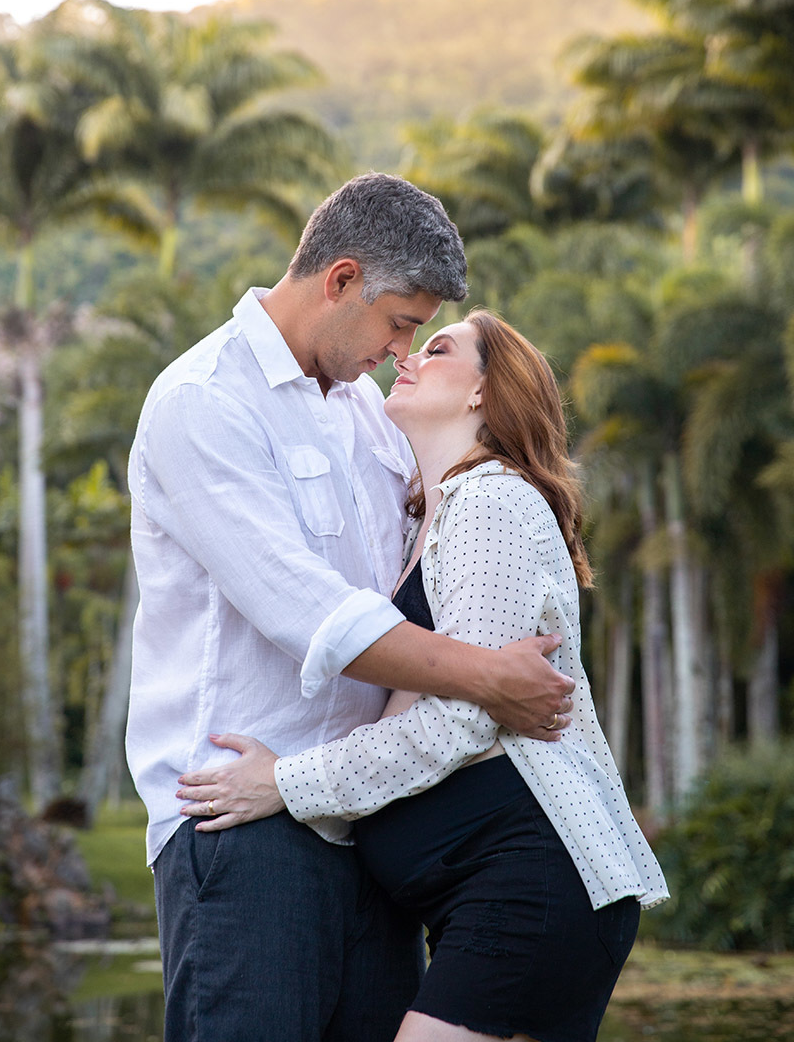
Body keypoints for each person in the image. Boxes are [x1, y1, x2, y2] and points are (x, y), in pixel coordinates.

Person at [126, 173, 576, 1042]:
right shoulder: (203, 402)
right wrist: (493, 679)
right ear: (340, 280)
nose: (402, 349)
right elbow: (315, 617)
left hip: (368, 831)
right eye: (401, 322)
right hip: (243, 826)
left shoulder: (366, 417)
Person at [178, 309, 669, 1042]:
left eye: (437, 348)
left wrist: (285, 783)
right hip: (496, 893)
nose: (405, 357)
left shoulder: (492, 500)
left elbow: (463, 715)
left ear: (483, 392)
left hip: (528, 884)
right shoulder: (431, 521)